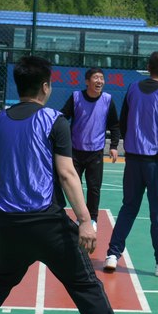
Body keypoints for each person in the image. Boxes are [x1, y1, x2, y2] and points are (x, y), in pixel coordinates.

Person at [0, 55, 151, 314]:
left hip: (10, 224)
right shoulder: (54, 120)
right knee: (85, 285)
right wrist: (85, 220)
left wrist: (4, 210)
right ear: (45, 87)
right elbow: (68, 174)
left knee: (0, 280)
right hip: (48, 224)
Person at [103, 51, 158, 278]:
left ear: (148, 67)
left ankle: (112, 254)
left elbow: (124, 122)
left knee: (128, 207)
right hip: (155, 162)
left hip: (133, 159)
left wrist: (132, 142)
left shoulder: (133, 88)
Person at [59, 67, 120, 226]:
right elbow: (63, 117)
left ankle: (92, 219)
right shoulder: (76, 97)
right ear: (87, 81)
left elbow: (114, 125)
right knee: (75, 186)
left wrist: (114, 146)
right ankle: (80, 216)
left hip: (95, 152)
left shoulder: (107, 100)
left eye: (102, 78)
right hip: (75, 151)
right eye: (96, 78)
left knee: (94, 188)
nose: (99, 81)